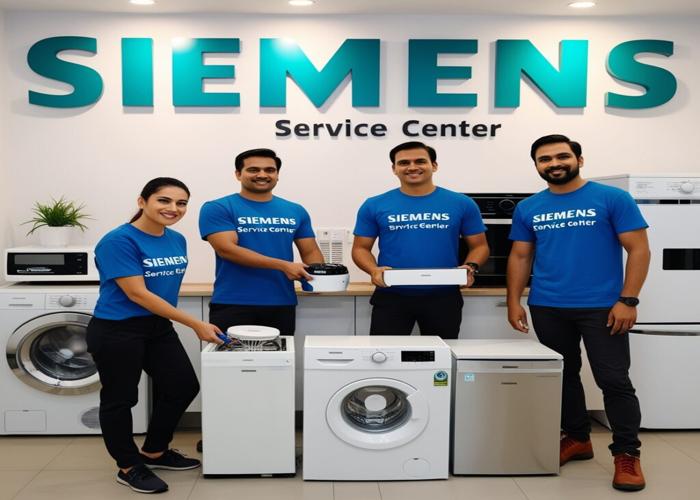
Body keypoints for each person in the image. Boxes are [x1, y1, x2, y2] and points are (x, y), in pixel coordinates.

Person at [507, 134, 651, 492]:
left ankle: (627, 454)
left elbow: (639, 250)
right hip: (548, 305)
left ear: (579, 160)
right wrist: (514, 300)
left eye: (562, 156)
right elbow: (521, 256)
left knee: (614, 380)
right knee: (564, 375)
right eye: (544, 159)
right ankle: (577, 438)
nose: (554, 164)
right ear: (537, 166)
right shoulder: (528, 207)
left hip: (603, 306)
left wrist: (628, 300)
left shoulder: (612, 198)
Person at [87, 177, 223, 494]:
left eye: (181, 203)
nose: (173, 208)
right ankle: (128, 466)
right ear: (142, 201)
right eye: (164, 200)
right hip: (117, 329)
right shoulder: (118, 241)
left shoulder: (176, 239)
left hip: (157, 327)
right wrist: (195, 323)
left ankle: (154, 452)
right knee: (120, 399)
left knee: (182, 386)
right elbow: (138, 294)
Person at [352, 141, 489, 339]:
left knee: (441, 354)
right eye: (404, 163)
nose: (412, 167)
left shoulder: (461, 203)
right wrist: (373, 270)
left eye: (420, 161)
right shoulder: (374, 205)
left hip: (444, 296)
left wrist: (471, 267)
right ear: (394, 169)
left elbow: (480, 246)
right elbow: (360, 249)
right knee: (385, 354)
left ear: (434, 165)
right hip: (391, 295)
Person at [199, 148, 324, 336]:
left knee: (280, 355)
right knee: (231, 356)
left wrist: (318, 278)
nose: (262, 175)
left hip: (282, 302)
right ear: (238, 174)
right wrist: (284, 265)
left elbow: (310, 251)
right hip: (233, 303)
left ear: (277, 175)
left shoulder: (295, 210)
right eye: (253, 170)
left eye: (270, 170)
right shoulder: (218, 207)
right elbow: (227, 250)